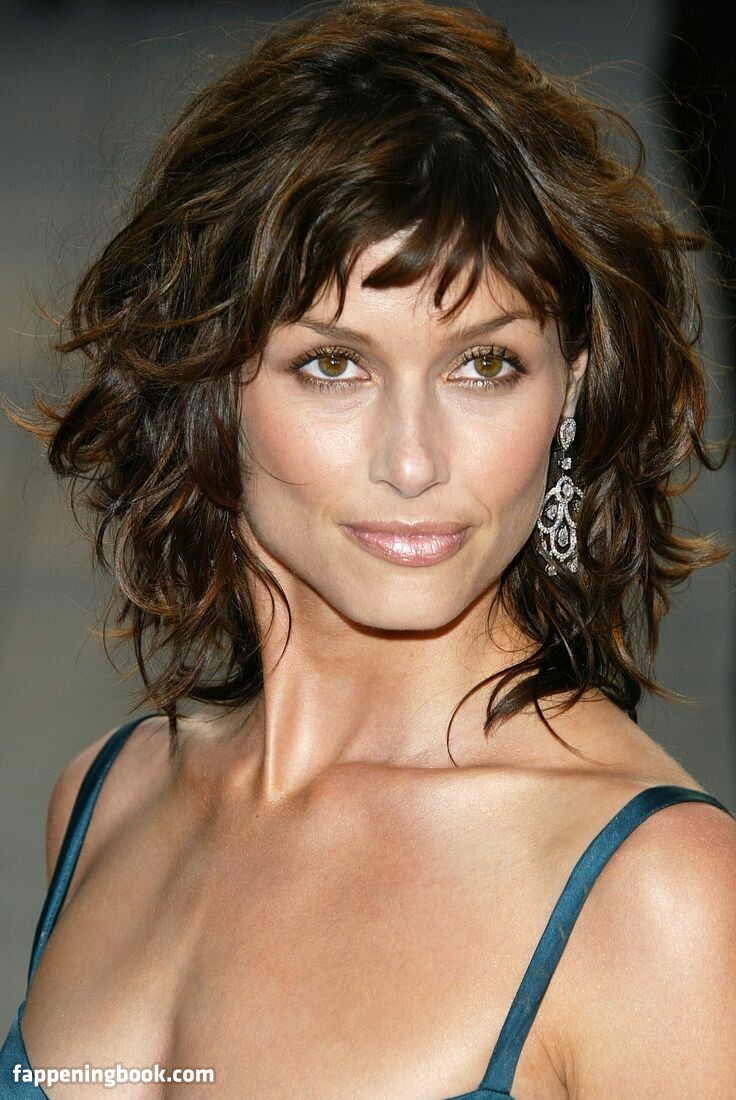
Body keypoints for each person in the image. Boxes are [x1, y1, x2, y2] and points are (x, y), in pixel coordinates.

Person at [1, 0, 735, 1096]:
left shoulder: (661, 894)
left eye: (484, 365)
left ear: (571, 391)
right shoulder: (108, 798)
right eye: (333, 365)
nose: (412, 460)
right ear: (207, 380)